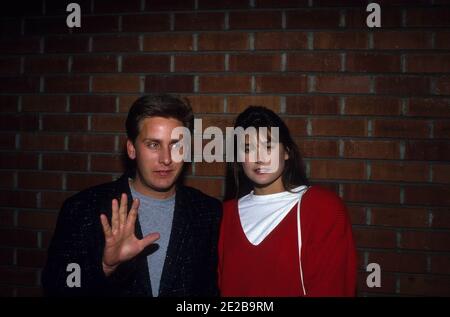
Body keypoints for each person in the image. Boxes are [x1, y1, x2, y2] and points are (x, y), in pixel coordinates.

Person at [42, 94, 222, 296]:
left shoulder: (208, 212)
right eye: (153, 145)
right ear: (131, 149)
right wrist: (104, 266)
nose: (166, 159)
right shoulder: (84, 208)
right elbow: (57, 284)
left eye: (176, 145)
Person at [218, 106, 357, 297]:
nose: (259, 158)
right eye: (248, 148)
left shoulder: (322, 208)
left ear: (287, 152)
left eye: (268, 146)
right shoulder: (224, 215)